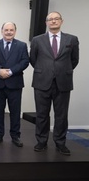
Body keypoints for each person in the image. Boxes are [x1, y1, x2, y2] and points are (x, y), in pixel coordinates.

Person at [30, 11, 79, 156]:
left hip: (63, 81)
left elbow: (74, 60)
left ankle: (60, 143)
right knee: (42, 114)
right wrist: (46, 71)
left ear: (61, 21)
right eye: (50, 19)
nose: (53, 21)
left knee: (61, 115)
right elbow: (33, 60)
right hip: (42, 81)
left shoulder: (72, 39)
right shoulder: (37, 40)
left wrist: (61, 71)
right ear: (46, 23)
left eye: (56, 19)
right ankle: (41, 141)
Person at [0, 22, 29, 147]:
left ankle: (15, 136)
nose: (8, 32)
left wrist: (11, 71)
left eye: (11, 30)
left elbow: (25, 61)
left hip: (15, 83)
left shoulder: (22, 45)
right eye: (6, 30)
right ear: (2, 31)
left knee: (15, 112)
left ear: (15, 31)